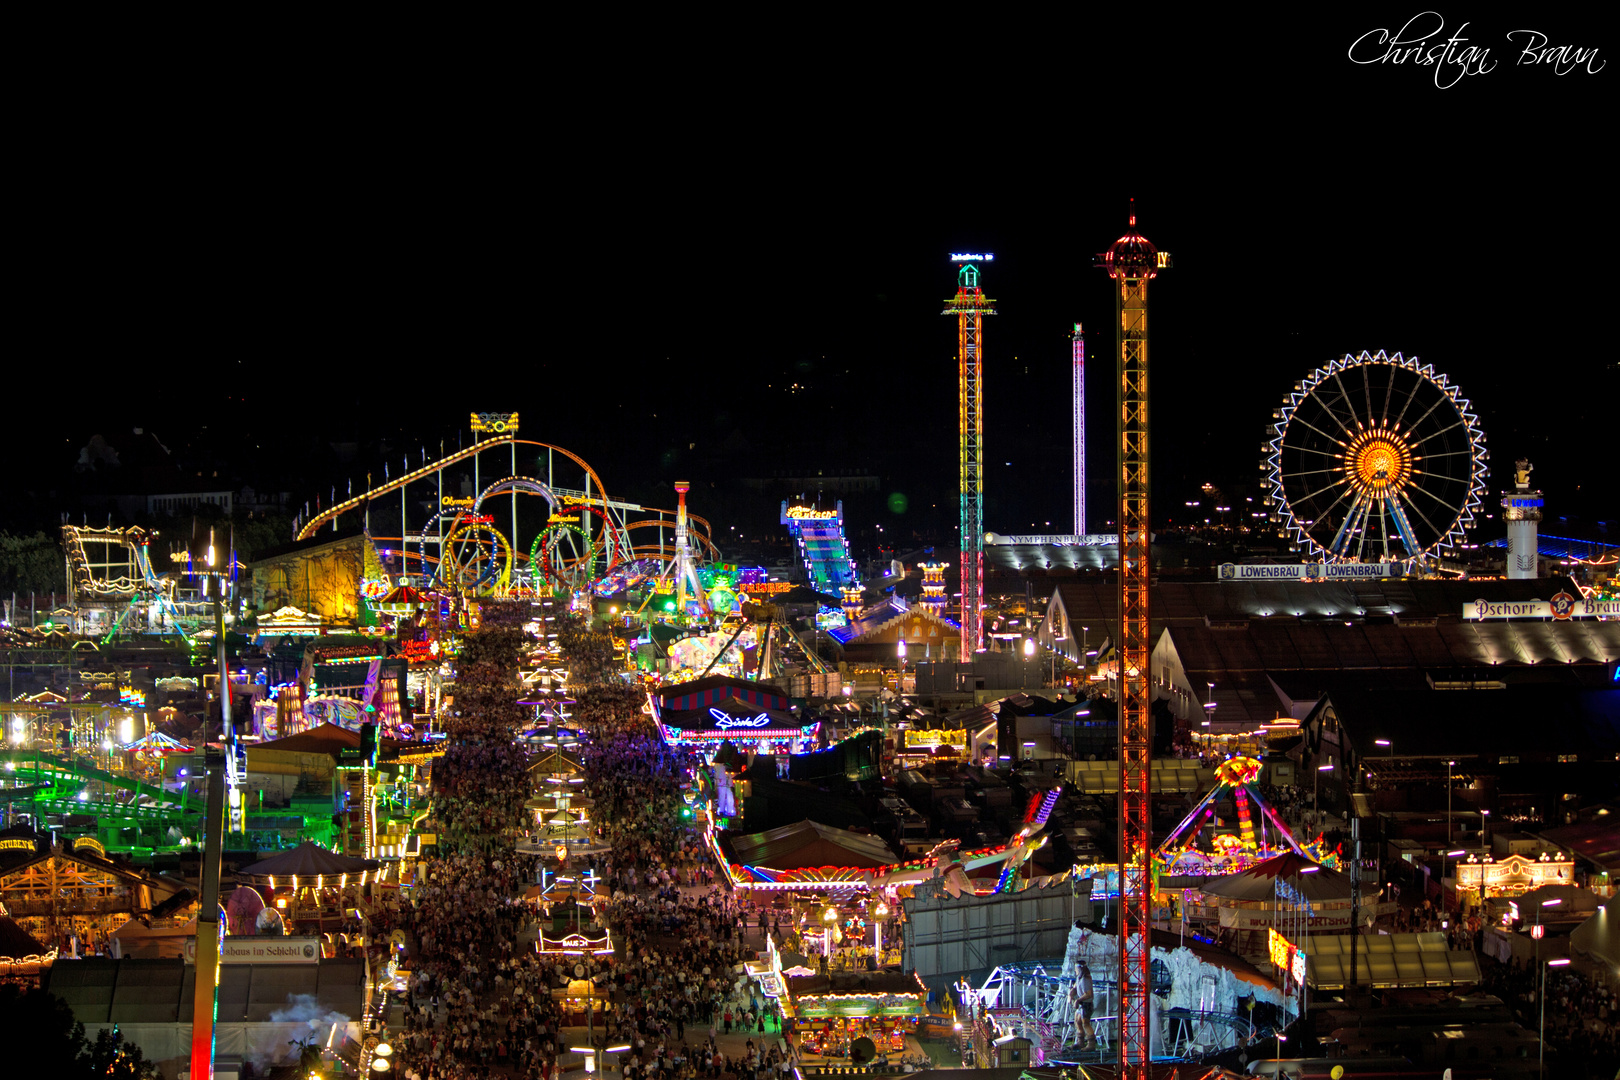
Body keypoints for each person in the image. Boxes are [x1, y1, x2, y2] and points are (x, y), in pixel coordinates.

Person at [1076, 962, 1096, 1050]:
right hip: (1081, 1005)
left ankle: (1091, 1044)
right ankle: (1080, 1042)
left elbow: (1088, 994)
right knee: (1078, 1021)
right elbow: (1075, 986)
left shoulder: (1085, 979)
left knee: (1085, 1023)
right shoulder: (1079, 978)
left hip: (1086, 1004)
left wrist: (1078, 1000)